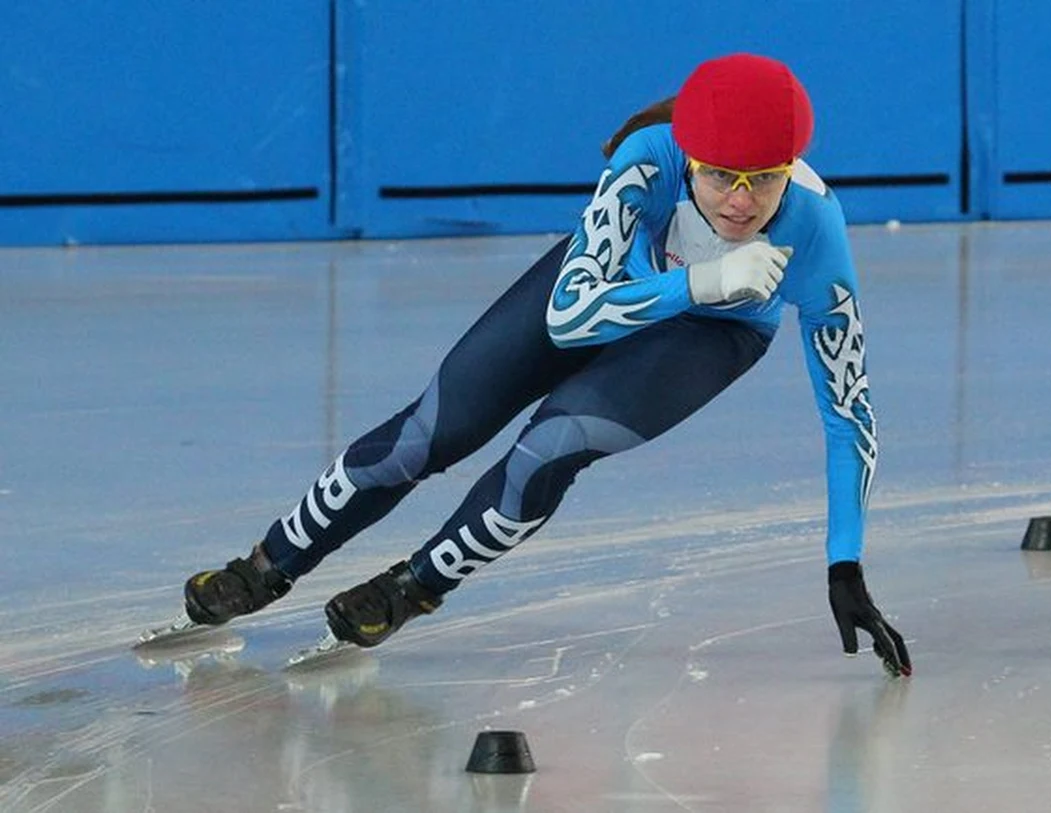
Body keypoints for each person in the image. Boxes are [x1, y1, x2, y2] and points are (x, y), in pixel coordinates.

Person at [181, 52, 912, 677]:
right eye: (722, 175)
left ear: (791, 169)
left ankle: (413, 586)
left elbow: (849, 413)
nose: (741, 201)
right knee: (429, 432)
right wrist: (694, 282)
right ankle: (267, 564)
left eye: (764, 178)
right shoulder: (645, 163)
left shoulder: (817, 235)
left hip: (708, 337)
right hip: (608, 289)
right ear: (688, 158)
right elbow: (571, 315)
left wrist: (844, 562)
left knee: (549, 446)